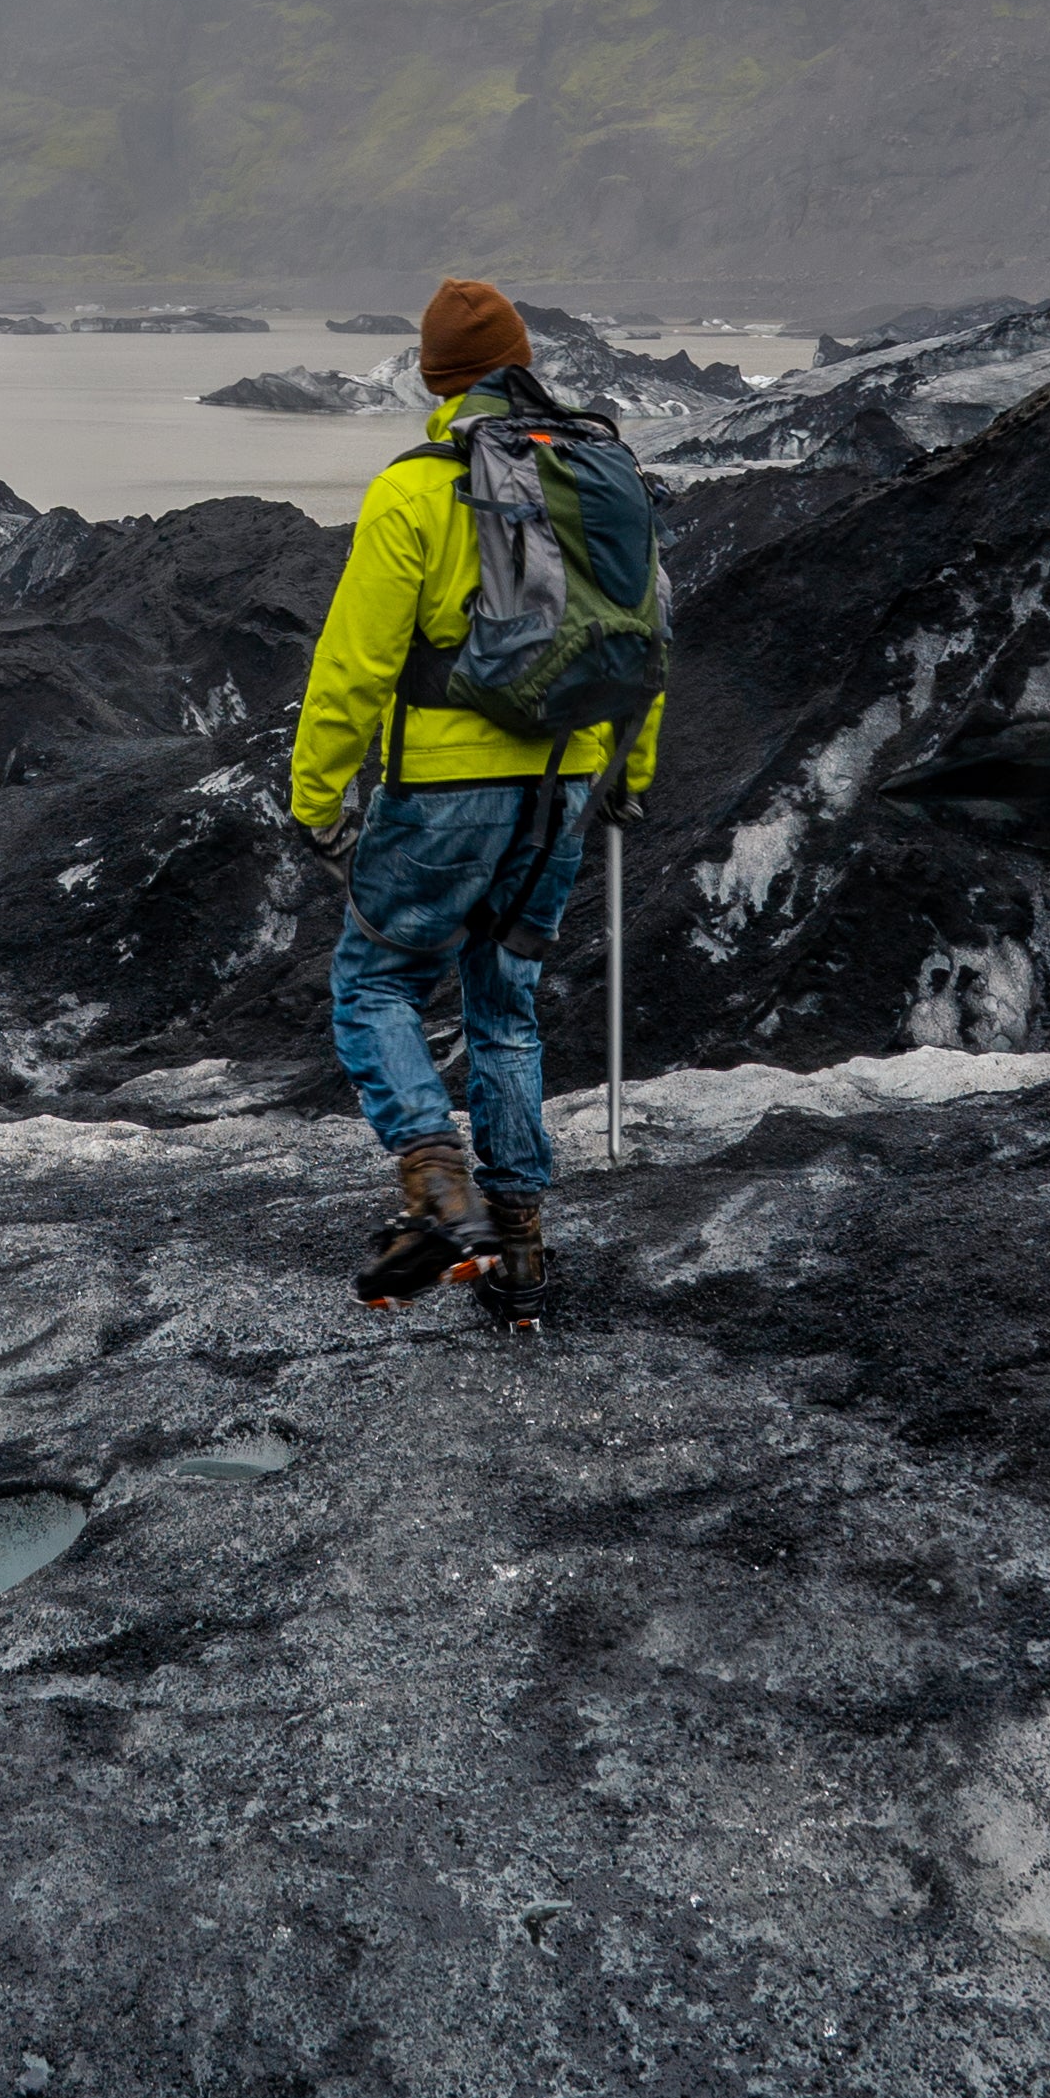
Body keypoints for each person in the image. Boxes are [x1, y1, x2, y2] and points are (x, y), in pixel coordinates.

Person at [289, 276, 664, 1322]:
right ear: (520, 360)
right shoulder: (600, 474)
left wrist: (318, 798)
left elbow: (353, 665)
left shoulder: (415, 489)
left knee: (376, 985)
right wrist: (626, 777)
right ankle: (520, 1248)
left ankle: (433, 1181)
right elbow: (645, 645)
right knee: (505, 1004)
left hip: (446, 789)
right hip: (564, 784)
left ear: (436, 377)